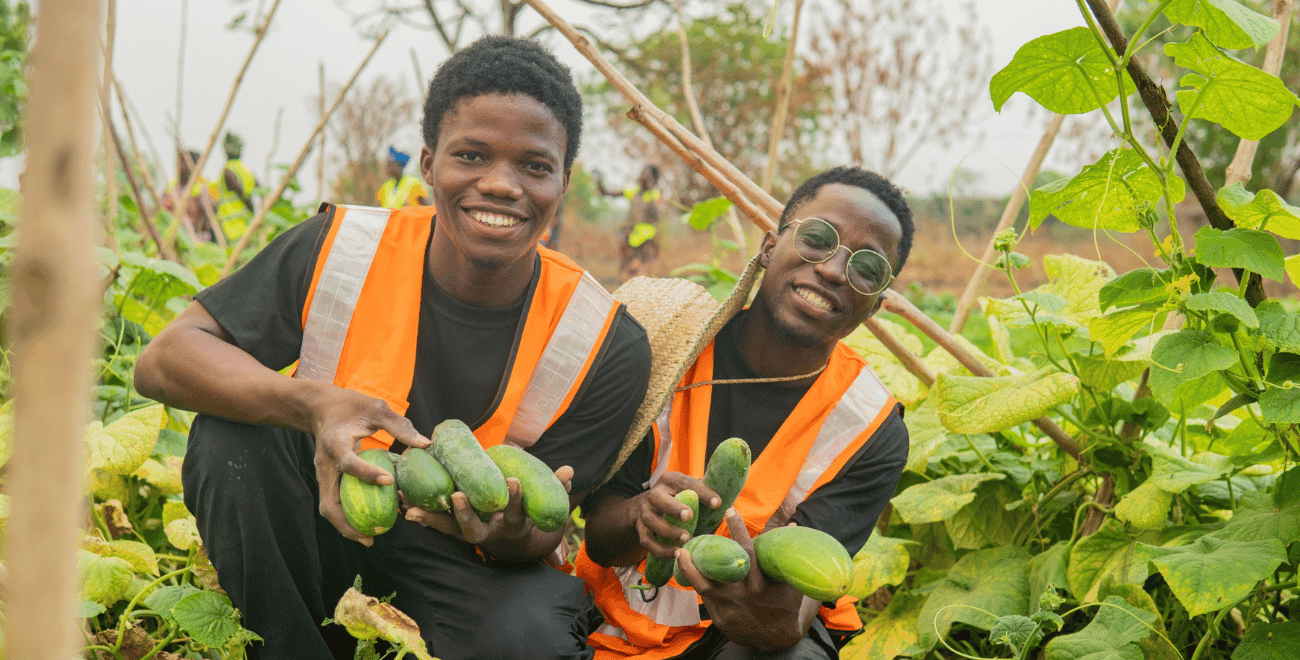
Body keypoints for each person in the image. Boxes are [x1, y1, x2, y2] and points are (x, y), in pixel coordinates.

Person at [134, 35, 652, 660]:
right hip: (323, 517)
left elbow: (546, 530)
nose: (500, 184)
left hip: (466, 568)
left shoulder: (604, 340)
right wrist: (312, 405)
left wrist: (506, 529)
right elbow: (165, 359)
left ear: (563, 182)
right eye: (471, 155)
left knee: (534, 640)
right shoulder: (341, 248)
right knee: (233, 438)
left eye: (534, 167)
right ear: (429, 165)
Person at [577, 166, 914, 660]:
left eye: (867, 268)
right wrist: (640, 518)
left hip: (738, 639)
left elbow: (795, 612)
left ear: (876, 305)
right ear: (769, 246)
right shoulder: (671, 351)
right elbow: (600, 538)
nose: (833, 270)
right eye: (818, 239)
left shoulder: (871, 429)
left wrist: (771, 618)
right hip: (613, 612)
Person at [599, 165, 665, 282]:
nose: (643, 177)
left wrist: (650, 192)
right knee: (625, 272)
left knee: (645, 272)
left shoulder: (655, 194)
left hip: (647, 239)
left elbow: (657, 216)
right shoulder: (633, 192)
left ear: (653, 179)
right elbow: (607, 193)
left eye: (646, 175)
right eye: (642, 174)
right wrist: (599, 182)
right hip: (630, 236)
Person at [162, 149, 220, 242]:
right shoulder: (171, 186)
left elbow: (212, 209)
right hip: (173, 236)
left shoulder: (203, 185)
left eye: (183, 161)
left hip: (197, 236)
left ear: (192, 165)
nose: (178, 165)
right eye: (178, 161)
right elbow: (163, 209)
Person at [215, 131, 259, 223]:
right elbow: (261, 191)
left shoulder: (227, 171)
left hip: (231, 223)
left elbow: (243, 195)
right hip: (247, 220)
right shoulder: (247, 171)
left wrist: (255, 213)